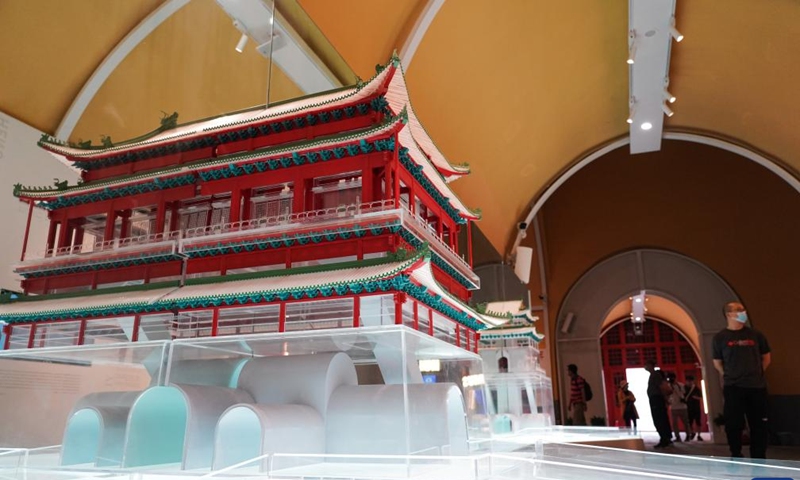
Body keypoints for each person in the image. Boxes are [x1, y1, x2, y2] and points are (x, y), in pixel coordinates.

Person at [712, 301, 771, 459]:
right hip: (734, 387)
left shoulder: (756, 335)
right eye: (738, 310)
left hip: (756, 387)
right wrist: (730, 374)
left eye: (743, 309)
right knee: (733, 423)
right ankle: (736, 453)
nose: (743, 311)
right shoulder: (720, 338)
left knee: (759, 424)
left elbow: (766, 357)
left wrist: (757, 372)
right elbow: (717, 362)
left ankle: (759, 456)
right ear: (729, 314)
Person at [645, 359, 673, 448]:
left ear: (650, 365)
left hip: (656, 399)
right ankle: (665, 438)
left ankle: (664, 438)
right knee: (661, 418)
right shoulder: (653, 375)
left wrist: (665, 399)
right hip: (656, 399)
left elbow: (661, 387)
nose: (645, 366)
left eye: (646, 364)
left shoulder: (655, 375)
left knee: (659, 419)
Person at [666, 372, 692, 441]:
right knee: (675, 423)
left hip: (682, 406)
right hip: (674, 407)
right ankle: (677, 436)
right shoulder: (668, 386)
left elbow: (684, 394)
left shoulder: (680, 385)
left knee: (686, 422)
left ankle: (688, 435)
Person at [684, 375, 704, 441]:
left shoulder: (696, 388)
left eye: (690, 381)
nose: (689, 382)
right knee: (689, 422)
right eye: (688, 381)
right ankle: (692, 433)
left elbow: (701, 397)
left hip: (696, 407)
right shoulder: (684, 388)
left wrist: (696, 397)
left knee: (698, 422)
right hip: (688, 407)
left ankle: (699, 435)